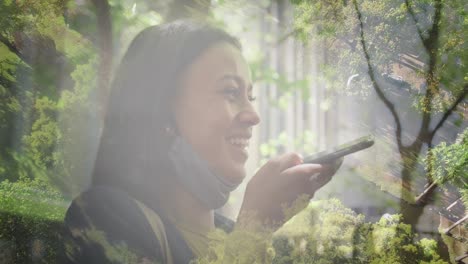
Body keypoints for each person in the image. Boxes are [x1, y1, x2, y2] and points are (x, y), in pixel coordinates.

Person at [59, 19, 341, 264]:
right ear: (162, 112)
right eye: (230, 92)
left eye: (250, 97)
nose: (253, 115)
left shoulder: (233, 234)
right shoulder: (103, 216)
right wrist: (255, 230)